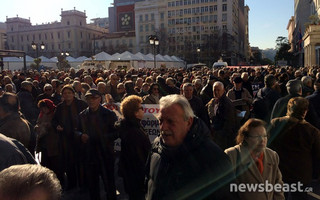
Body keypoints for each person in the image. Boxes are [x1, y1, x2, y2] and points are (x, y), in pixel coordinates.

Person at [145, 94, 238, 200]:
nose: (163, 127)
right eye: (160, 120)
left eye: (171, 121)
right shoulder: (156, 148)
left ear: (188, 122)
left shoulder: (213, 157)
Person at [269, 97, 320, 200]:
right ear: (305, 111)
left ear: (289, 108)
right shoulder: (312, 131)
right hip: (301, 172)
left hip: (279, 169)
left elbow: (268, 146)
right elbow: (317, 154)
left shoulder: (276, 123)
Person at [225, 118, 285, 200]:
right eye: (257, 137)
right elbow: (225, 191)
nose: (262, 140)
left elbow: (278, 186)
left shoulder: (272, 155)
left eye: (264, 136)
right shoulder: (232, 155)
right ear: (245, 137)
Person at [79, 89, 118, 200]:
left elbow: (117, 132)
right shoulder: (82, 115)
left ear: (99, 99)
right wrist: (80, 135)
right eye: (88, 98)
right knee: (93, 185)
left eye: (93, 98)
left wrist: (102, 138)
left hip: (106, 154)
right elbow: (76, 130)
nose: (91, 101)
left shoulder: (109, 114)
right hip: (90, 155)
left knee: (109, 184)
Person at [115, 95, 151, 200]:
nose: (143, 110)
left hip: (132, 174)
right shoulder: (132, 131)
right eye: (141, 108)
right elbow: (138, 156)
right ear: (135, 113)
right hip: (135, 175)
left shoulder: (133, 126)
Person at [52, 85, 87, 190]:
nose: (67, 95)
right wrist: (56, 126)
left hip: (79, 137)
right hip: (65, 138)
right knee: (69, 162)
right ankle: (72, 183)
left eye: (69, 93)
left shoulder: (81, 104)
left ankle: (83, 184)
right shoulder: (60, 107)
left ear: (73, 94)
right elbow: (54, 120)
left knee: (81, 162)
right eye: (65, 93)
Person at [207, 81, 238, 150]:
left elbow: (228, 123)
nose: (216, 92)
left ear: (223, 90)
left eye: (218, 90)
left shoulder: (225, 103)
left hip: (224, 137)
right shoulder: (217, 101)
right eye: (215, 90)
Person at [35, 99, 60, 178]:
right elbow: (38, 122)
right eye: (42, 108)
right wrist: (37, 127)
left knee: (55, 163)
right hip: (43, 142)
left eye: (45, 108)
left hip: (53, 142)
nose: (43, 110)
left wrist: (48, 126)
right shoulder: (41, 114)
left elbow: (57, 125)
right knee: (45, 162)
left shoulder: (55, 113)